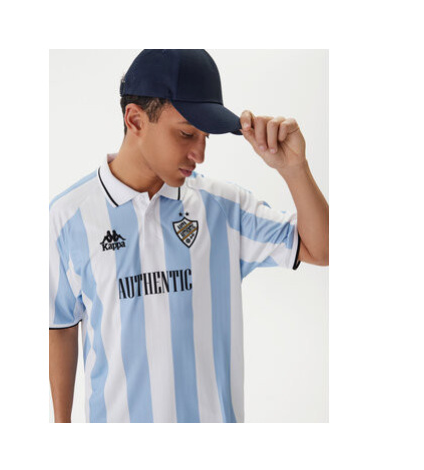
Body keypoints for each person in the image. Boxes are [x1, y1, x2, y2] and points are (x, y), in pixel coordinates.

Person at [49, 49, 329, 423]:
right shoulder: (68, 217)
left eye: (205, 137)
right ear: (135, 119)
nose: (199, 153)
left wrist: (294, 169)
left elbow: (322, 249)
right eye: (186, 133)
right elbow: (61, 325)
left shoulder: (224, 208)